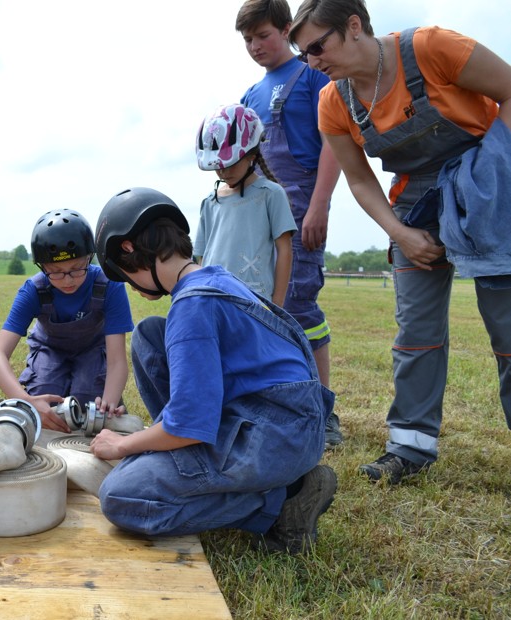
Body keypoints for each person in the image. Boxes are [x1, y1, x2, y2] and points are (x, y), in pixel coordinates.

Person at [290, 0, 511, 483]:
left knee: (507, 329)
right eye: (303, 53)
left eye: (317, 46)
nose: (311, 62)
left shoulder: (432, 48)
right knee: (416, 334)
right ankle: (410, 447)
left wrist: (492, 171)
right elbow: (361, 180)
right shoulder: (333, 101)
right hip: (416, 203)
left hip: (487, 190)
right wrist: (401, 234)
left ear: (353, 27)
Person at [90, 187, 336, 553]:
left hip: (277, 437)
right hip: (285, 420)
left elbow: (188, 423)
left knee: (121, 497)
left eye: (126, 274)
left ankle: (283, 501)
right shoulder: (215, 279)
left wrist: (123, 445)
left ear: (129, 249)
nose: (131, 286)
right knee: (149, 337)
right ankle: (187, 460)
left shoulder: (192, 307)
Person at [236, 0, 343, 449]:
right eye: (247, 40)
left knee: (299, 304)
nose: (255, 46)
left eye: (263, 35)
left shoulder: (317, 78)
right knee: (263, 307)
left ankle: (323, 410)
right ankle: (277, 404)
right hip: (262, 210)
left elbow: (335, 145)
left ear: (287, 29)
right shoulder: (249, 97)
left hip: (304, 205)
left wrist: (318, 206)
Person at [0, 209, 133, 432]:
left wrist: (109, 403)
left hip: (93, 349)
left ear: (89, 257)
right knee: (46, 398)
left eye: (76, 269)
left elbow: (117, 360)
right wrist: (26, 402)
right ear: (41, 267)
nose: (67, 280)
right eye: (55, 271)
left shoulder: (109, 285)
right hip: (49, 349)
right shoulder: (32, 291)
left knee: (88, 403)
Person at [194, 103, 297, 307]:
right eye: (217, 166)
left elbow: (284, 250)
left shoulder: (271, 194)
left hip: (253, 301)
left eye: (230, 163)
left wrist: (277, 302)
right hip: (212, 299)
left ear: (252, 154)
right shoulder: (209, 201)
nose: (223, 172)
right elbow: (200, 256)